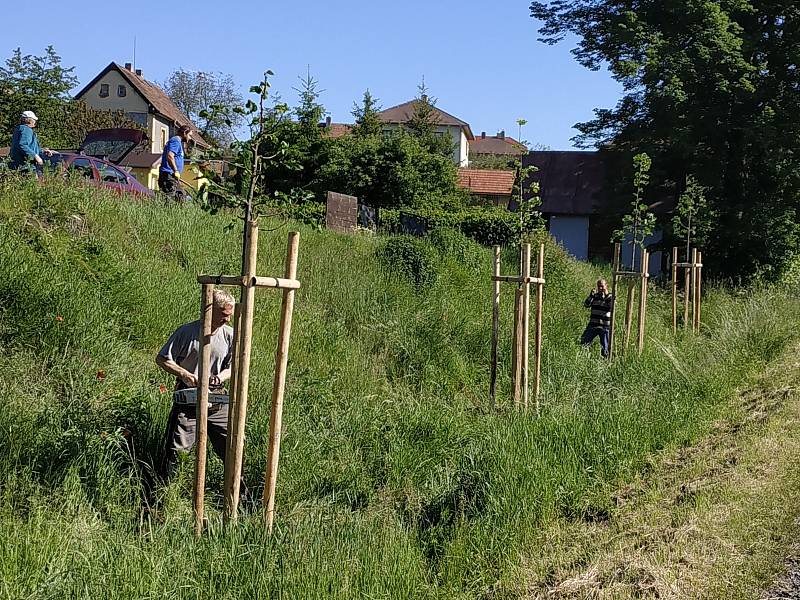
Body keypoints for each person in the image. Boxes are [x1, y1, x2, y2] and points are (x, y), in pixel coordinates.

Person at [156, 288, 234, 481]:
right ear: (210, 310)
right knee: (177, 452)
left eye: (230, 315)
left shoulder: (230, 335)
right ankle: (164, 493)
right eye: (224, 315)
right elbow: (163, 358)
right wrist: (185, 374)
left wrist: (221, 377)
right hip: (189, 397)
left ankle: (239, 495)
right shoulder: (187, 332)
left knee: (233, 446)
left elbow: (234, 366)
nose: (227, 320)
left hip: (217, 398)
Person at [581, 279, 614, 358]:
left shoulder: (610, 297)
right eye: (599, 286)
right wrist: (591, 296)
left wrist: (606, 295)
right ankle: (584, 358)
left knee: (605, 348)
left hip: (604, 327)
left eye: (602, 286)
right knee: (584, 342)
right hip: (593, 325)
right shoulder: (595, 296)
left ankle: (606, 361)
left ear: (606, 286)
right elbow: (586, 305)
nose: (600, 288)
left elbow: (612, 307)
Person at [158, 125, 192, 197]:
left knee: (181, 195)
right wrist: (176, 170)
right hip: (168, 175)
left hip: (172, 176)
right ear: (185, 133)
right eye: (189, 135)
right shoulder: (175, 140)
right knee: (170, 199)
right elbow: (170, 156)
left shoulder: (178, 142)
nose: (190, 138)